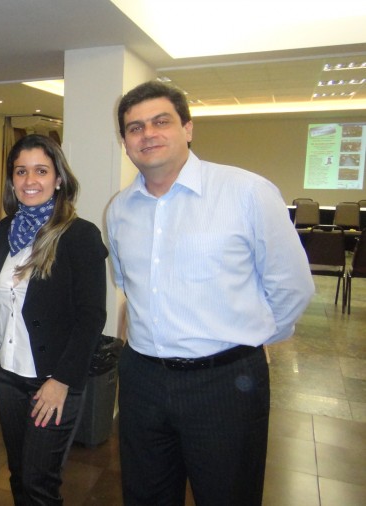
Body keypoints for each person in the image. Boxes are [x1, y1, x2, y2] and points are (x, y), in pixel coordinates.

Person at [107, 80, 315, 505]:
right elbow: (129, 286)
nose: (148, 134)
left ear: (188, 128)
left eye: (161, 122)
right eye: (135, 128)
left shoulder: (247, 192)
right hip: (143, 380)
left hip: (225, 385)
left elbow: (292, 286)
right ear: (125, 143)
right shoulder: (120, 209)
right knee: (145, 496)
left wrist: (244, 341)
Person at [0, 134, 108, 505]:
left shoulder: (79, 236)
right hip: (8, 377)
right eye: (21, 171)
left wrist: (61, 381)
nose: (30, 180)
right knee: (19, 475)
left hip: (53, 380)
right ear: (12, 180)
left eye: (41, 171)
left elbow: (92, 316)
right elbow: (0, 295)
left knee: (39, 485)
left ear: (59, 179)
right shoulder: (6, 230)